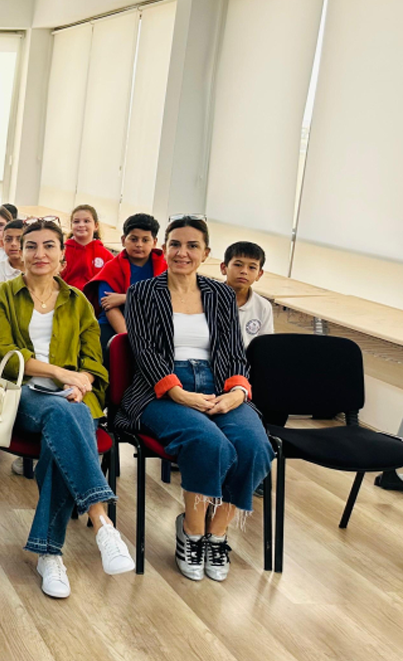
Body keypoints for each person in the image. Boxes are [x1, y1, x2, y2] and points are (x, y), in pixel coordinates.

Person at [0, 218, 134, 599]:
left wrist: (81, 384)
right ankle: (101, 520)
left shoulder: (78, 301)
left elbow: (94, 362)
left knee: (65, 422)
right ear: (19, 253)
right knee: (64, 415)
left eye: (49, 245)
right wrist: (59, 373)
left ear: (62, 254)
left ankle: (49, 554)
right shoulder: (0, 296)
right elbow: (4, 356)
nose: (40, 253)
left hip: (73, 399)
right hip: (21, 395)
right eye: (31, 246)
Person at [121, 216, 273, 584]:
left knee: (255, 445)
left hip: (219, 384)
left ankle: (217, 534)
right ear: (164, 249)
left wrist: (237, 392)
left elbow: (234, 352)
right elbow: (144, 351)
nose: (182, 252)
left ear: (206, 253)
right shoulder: (143, 292)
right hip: (160, 388)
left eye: (192, 246)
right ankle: (191, 531)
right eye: (175, 244)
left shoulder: (220, 294)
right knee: (208, 442)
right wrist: (177, 391)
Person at [84, 213, 165, 357]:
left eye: (145, 240)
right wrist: (131, 339)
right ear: (123, 240)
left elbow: (167, 299)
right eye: (133, 239)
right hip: (114, 325)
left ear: (154, 242)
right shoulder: (111, 269)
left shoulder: (164, 268)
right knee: (103, 349)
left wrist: (126, 298)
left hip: (152, 324)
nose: (139, 244)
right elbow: (109, 306)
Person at [220, 241, 273, 348]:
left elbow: (265, 345)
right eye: (238, 265)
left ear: (259, 274)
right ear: (224, 268)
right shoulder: (207, 298)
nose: (244, 271)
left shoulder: (263, 306)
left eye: (252, 267)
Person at [62, 204, 113, 290]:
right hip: (66, 296)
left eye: (86, 221)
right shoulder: (61, 251)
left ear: (96, 226)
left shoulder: (106, 256)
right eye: (76, 221)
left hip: (93, 298)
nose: (81, 225)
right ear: (71, 226)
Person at [0, 219, 25, 286]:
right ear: (2, 243)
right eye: (8, 239)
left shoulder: (37, 267)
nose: (13, 243)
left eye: (19, 239)